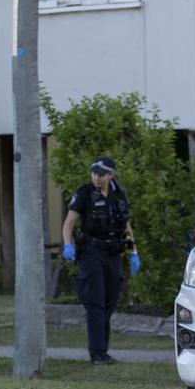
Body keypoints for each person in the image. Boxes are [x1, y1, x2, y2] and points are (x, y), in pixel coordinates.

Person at [61, 156, 140, 366]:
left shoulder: (119, 195)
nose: (96, 177)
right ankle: (97, 353)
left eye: (101, 174)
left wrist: (134, 252)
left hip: (113, 253)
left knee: (110, 300)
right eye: (94, 173)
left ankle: (102, 349)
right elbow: (69, 223)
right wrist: (67, 244)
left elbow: (126, 225)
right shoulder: (85, 193)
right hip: (92, 252)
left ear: (111, 175)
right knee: (95, 302)